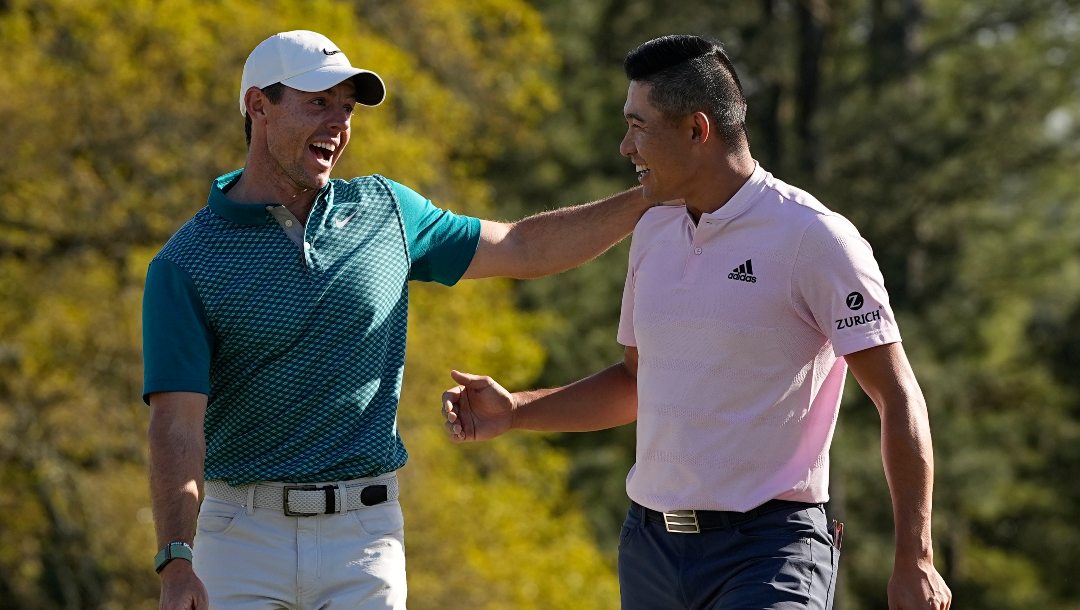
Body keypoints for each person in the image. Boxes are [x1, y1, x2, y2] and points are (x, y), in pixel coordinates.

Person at [142, 30, 652, 610]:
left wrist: (647, 197)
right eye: (317, 103)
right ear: (259, 105)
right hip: (239, 538)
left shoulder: (386, 211)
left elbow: (521, 247)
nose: (338, 124)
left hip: (364, 537)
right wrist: (175, 561)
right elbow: (177, 426)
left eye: (347, 108)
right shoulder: (186, 263)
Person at [442, 34, 952, 610]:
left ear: (696, 130)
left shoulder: (816, 239)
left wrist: (916, 556)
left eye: (638, 126)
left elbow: (898, 396)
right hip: (650, 550)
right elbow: (638, 382)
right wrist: (516, 413)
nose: (623, 146)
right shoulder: (653, 229)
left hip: (771, 551)